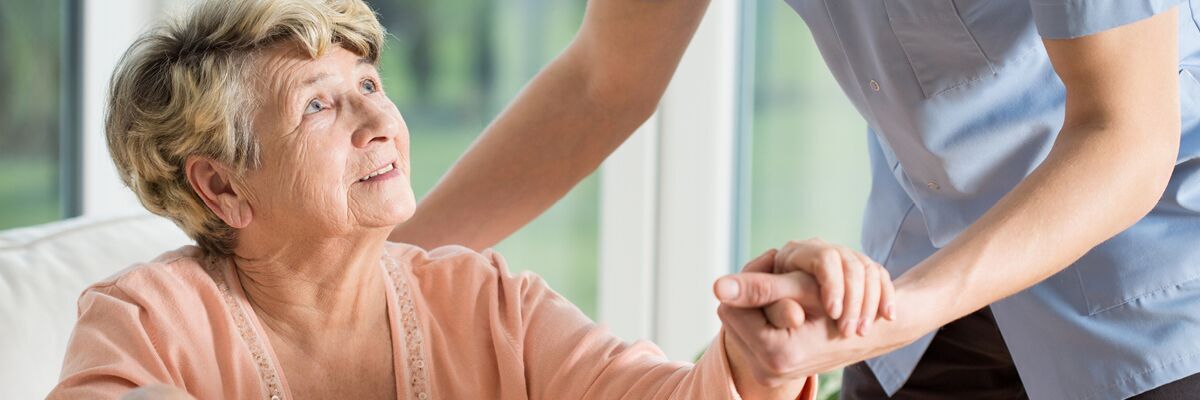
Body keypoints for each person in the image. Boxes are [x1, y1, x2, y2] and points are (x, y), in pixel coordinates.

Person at [49, 0, 899, 398]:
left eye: (372, 82)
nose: (378, 119)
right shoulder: (147, 321)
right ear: (223, 185)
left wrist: (754, 359)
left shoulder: (486, 302)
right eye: (319, 102)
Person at [391, 1, 1200, 399]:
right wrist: (370, 269)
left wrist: (901, 309)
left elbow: (1122, 136)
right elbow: (603, 83)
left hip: (1149, 287)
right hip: (923, 265)